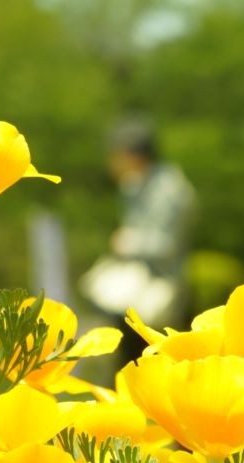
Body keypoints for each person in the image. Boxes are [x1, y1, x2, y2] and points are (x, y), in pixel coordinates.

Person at [82, 117, 195, 362]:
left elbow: (168, 245)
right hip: (136, 288)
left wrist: (129, 243)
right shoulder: (136, 184)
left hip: (158, 290)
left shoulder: (170, 188)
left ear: (131, 155)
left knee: (149, 363)